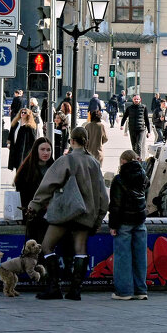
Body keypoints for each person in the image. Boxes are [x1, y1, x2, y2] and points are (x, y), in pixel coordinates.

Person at [28, 127, 108, 301]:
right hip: (86, 214)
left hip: (65, 212)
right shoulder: (94, 163)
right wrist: (99, 216)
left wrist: (34, 205)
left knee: (47, 246)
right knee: (81, 249)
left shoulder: (66, 160)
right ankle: (75, 290)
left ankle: (54, 287)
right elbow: (103, 194)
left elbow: (48, 186)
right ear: (85, 141)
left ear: (71, 141)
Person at [108, 149, 149, 301]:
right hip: (140, 220)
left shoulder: (119, 179)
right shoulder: (144, 176)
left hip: (124, 222)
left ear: (123, 162)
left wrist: (113, 225)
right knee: (140, 256)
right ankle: (141, 290)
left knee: (122, 256)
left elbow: (116, 205)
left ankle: (124, 292)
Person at [15, 138, 55, 244]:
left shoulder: (55, 167)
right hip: (33, 213)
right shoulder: (27, 170)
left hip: (53, 210)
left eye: (48, 150)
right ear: (36, 150)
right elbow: (24, 196)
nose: (46, 153)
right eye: (42, 149)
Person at [7, 107, 38, 174]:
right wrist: (9, 143)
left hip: (25, 149)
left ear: (28, 115)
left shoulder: (29, 126)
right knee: (16, 164)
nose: (23, 114)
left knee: (22, 165)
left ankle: (20, 181)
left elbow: (33, 139)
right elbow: (11, 134)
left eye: (25, 113)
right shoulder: (15, 123)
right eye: (22, 112)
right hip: (15, 147)